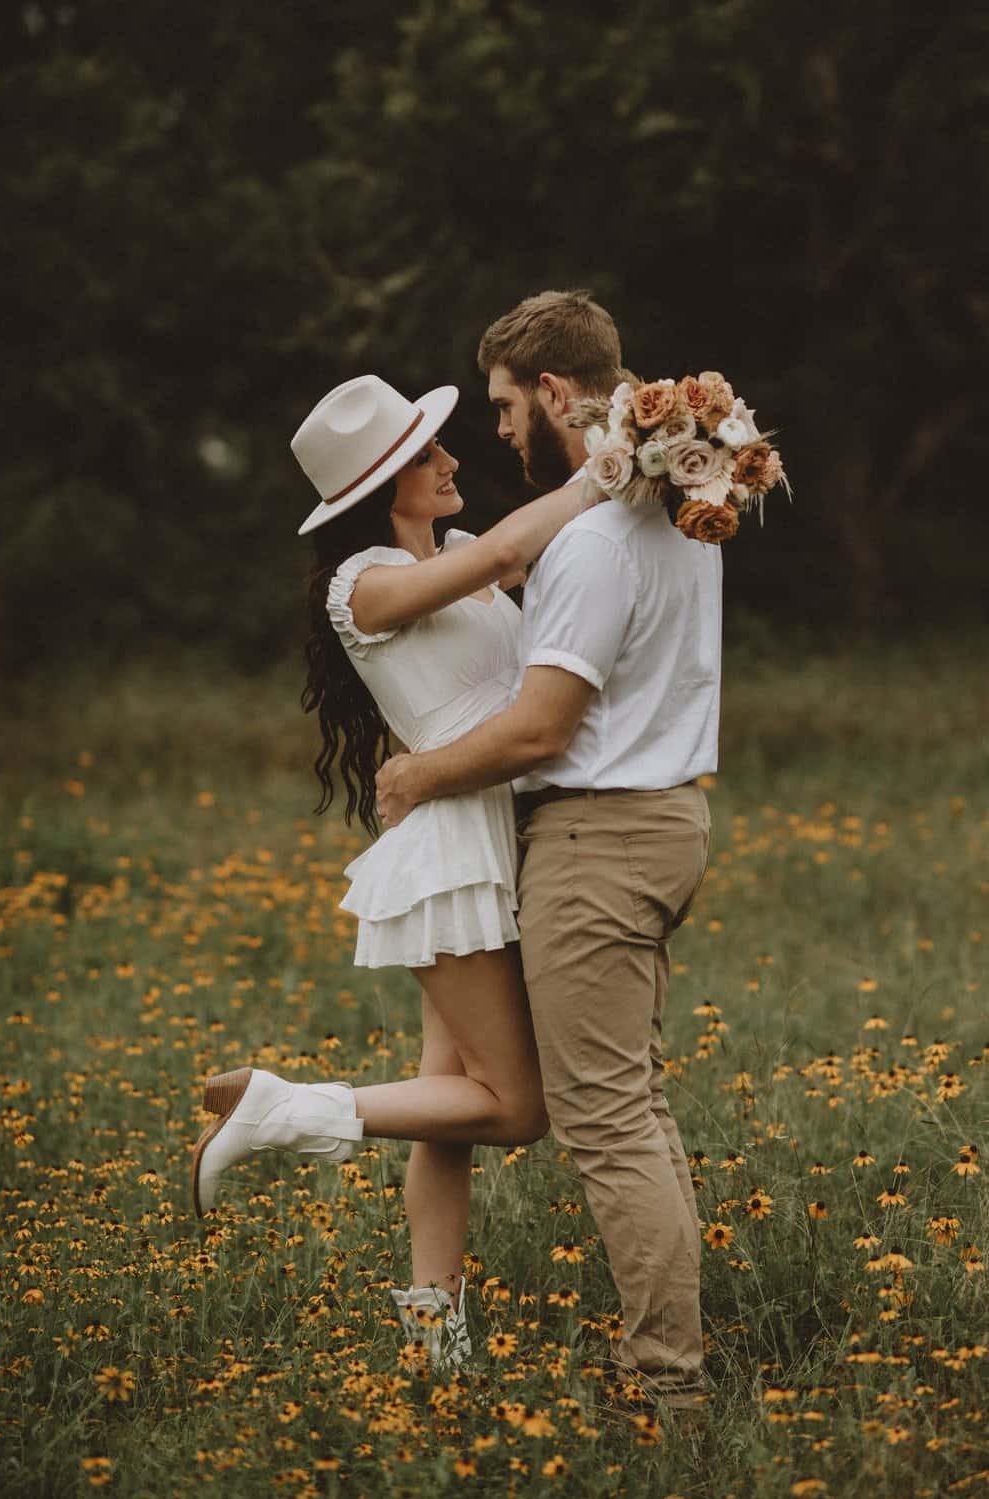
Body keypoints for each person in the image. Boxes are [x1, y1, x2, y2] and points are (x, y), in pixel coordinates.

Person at [191, 372, 594, 1366]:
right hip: (454, 855)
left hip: (496, 833)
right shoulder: (361, 585)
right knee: (517, 1108)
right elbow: (514, 548)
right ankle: (283, 1109)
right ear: (382, 487)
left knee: (446, 1112)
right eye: (427, 453)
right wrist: (618, 466)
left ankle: (432, 1341)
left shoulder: (454, 552)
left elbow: (520, 576)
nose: (452, 460)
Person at [375, 290, 721, 1411]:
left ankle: (662, 1387)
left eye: (506, 404)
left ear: (558, 394)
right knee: (633, 1105)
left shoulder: (595, 542)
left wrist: (418, 774)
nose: (499, 429)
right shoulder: (682, 502)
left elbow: (540, 727)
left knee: (608, 1120)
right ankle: (670, 1359)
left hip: (599, 840)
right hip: (661, 819)